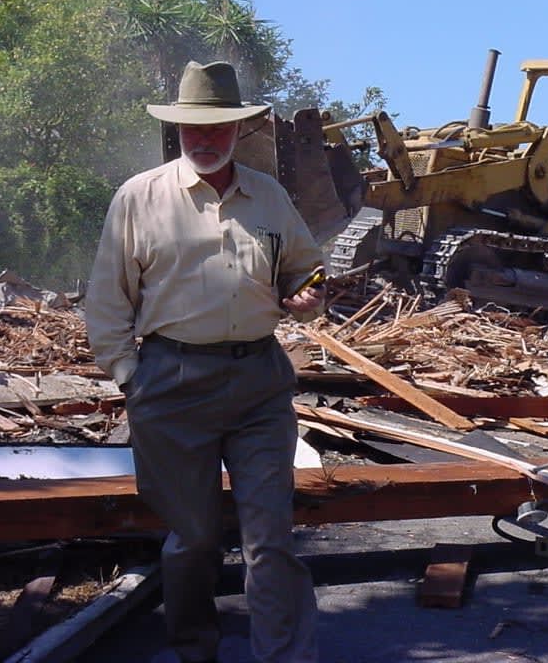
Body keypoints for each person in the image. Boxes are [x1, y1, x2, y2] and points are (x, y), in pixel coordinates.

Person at [86, 60, 325, 663]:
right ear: (178, 130)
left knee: (269, 539)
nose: (204, 139)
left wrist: (308, 295)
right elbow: (106, 300)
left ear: (239, 131)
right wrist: (129, 379)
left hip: (259, 384)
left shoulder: (268, 196)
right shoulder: (139, 197)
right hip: (170, 386)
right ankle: (196, 649)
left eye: (217, 129)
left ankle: (285, 656)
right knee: (192, 541)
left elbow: (305, 269)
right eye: (193, 129)